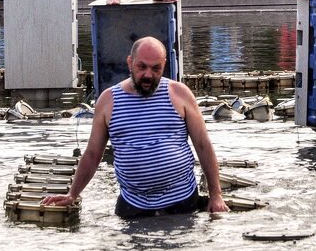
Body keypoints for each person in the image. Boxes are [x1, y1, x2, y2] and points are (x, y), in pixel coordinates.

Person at [42, 37, 228, 217]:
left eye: (156, 68)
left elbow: (203, 145)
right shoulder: (108, 101)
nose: (148, 74)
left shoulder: (179, 94)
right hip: (133, 205)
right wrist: (72, 194)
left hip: (182, 201)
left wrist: (216, 195)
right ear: (130, 63)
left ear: (164, 64)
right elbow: (92, 154)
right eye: (142, 67)